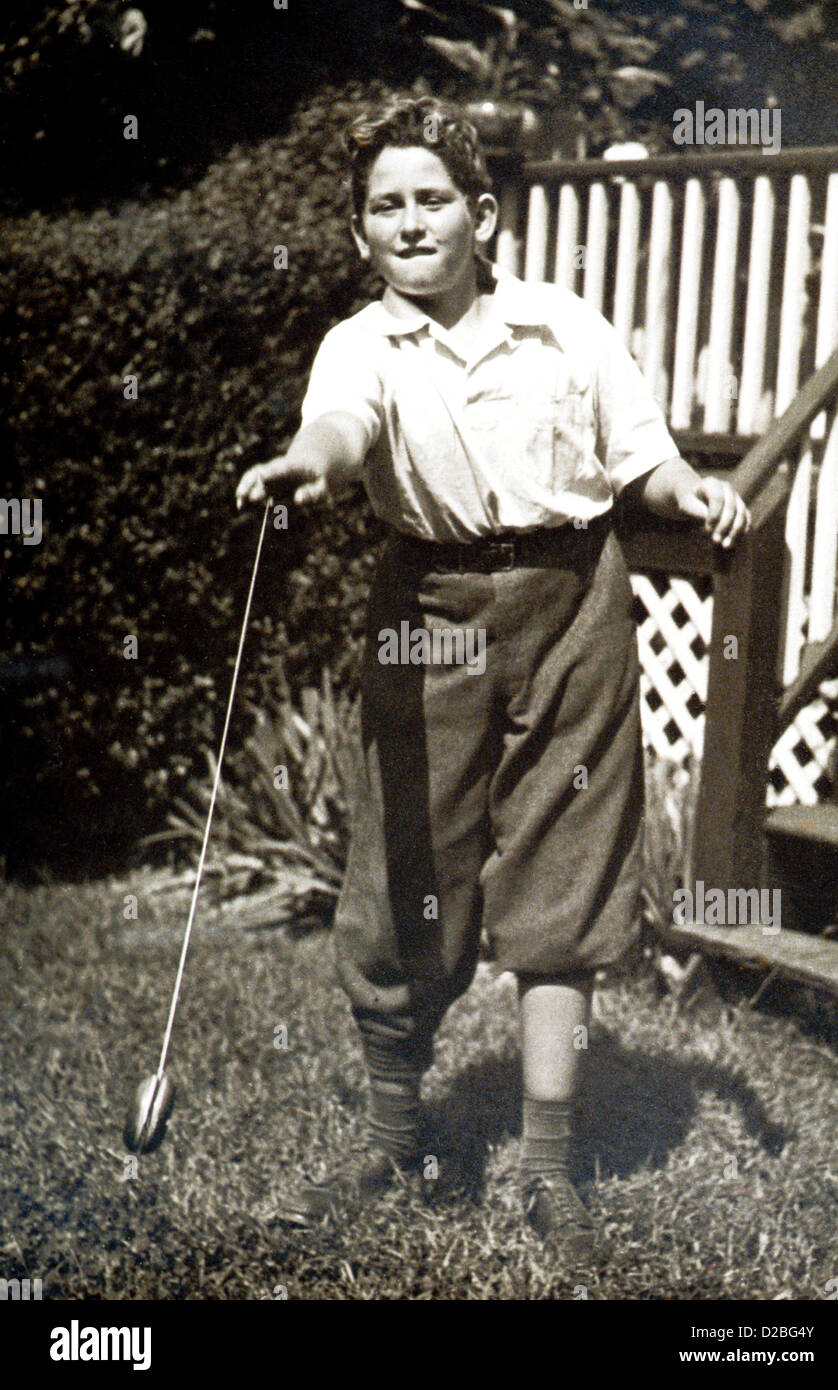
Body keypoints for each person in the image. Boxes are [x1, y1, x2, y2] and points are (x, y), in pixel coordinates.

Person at [236, 96, 749, 1260]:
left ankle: (550, 1162)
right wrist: (304, 469)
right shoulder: (360, 343)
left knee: (564, 870)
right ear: (361, 232)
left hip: (573, 605)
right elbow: (340, 425)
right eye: (384, 207)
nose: (409, 223)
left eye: (430, 201)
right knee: (403, 862)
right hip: (430, 613)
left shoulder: (564, 326)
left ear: (482, 213)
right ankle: (391, 1138)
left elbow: (644, 457)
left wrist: (690, 493)